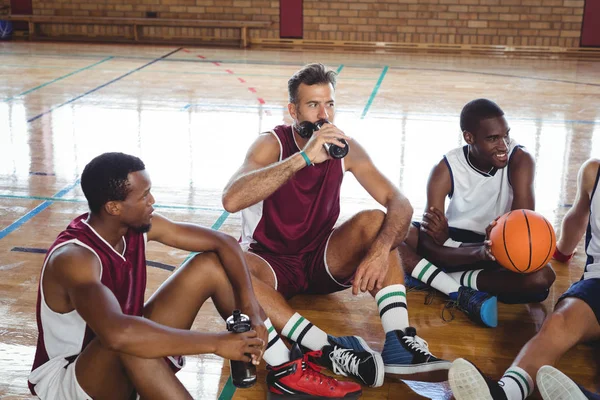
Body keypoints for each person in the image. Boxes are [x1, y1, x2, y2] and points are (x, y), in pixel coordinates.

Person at [28, 152, 361, 400]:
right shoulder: (75, 259)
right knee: (129, 340)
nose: (152, 201)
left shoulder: (135, 227)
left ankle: (284, 367)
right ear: (114, 207)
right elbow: (117, 335)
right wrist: (217, 343)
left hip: (123, 353)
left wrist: (251, 307)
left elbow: (224, 242)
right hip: (72, 381)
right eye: (144, 196)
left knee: (209, 266)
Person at [222, 63, 450, 391]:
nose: (323, 114)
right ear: (292, 111)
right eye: (313, 105)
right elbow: (231, 200)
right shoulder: (271, 145)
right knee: (230, 263)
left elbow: (399, 202)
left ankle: (399, 342)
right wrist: (303, 158)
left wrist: (380, 250)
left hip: (319, 259)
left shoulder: (345, 149)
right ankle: (327, 346)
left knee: (374, 221)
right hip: (270, 264)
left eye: (329, 104)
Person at [448, 158, 600, 400]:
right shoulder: (594, 171)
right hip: (597, 284)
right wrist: (560, 252)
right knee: (557, 323)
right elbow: (578, 216)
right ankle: (504, 393)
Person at [398, 99, 555, 328]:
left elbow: (520, 244)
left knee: (541, 278)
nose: (503, 146)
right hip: (460, 242)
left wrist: (478, 249)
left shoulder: (520, 160)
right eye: (493, 138)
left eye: (506, 135)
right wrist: (469, 250)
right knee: (396, 232)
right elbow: (431, 245)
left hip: (498, 244)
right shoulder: (445, 169)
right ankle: (461, 290)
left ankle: (438, 279)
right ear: (469, 138)